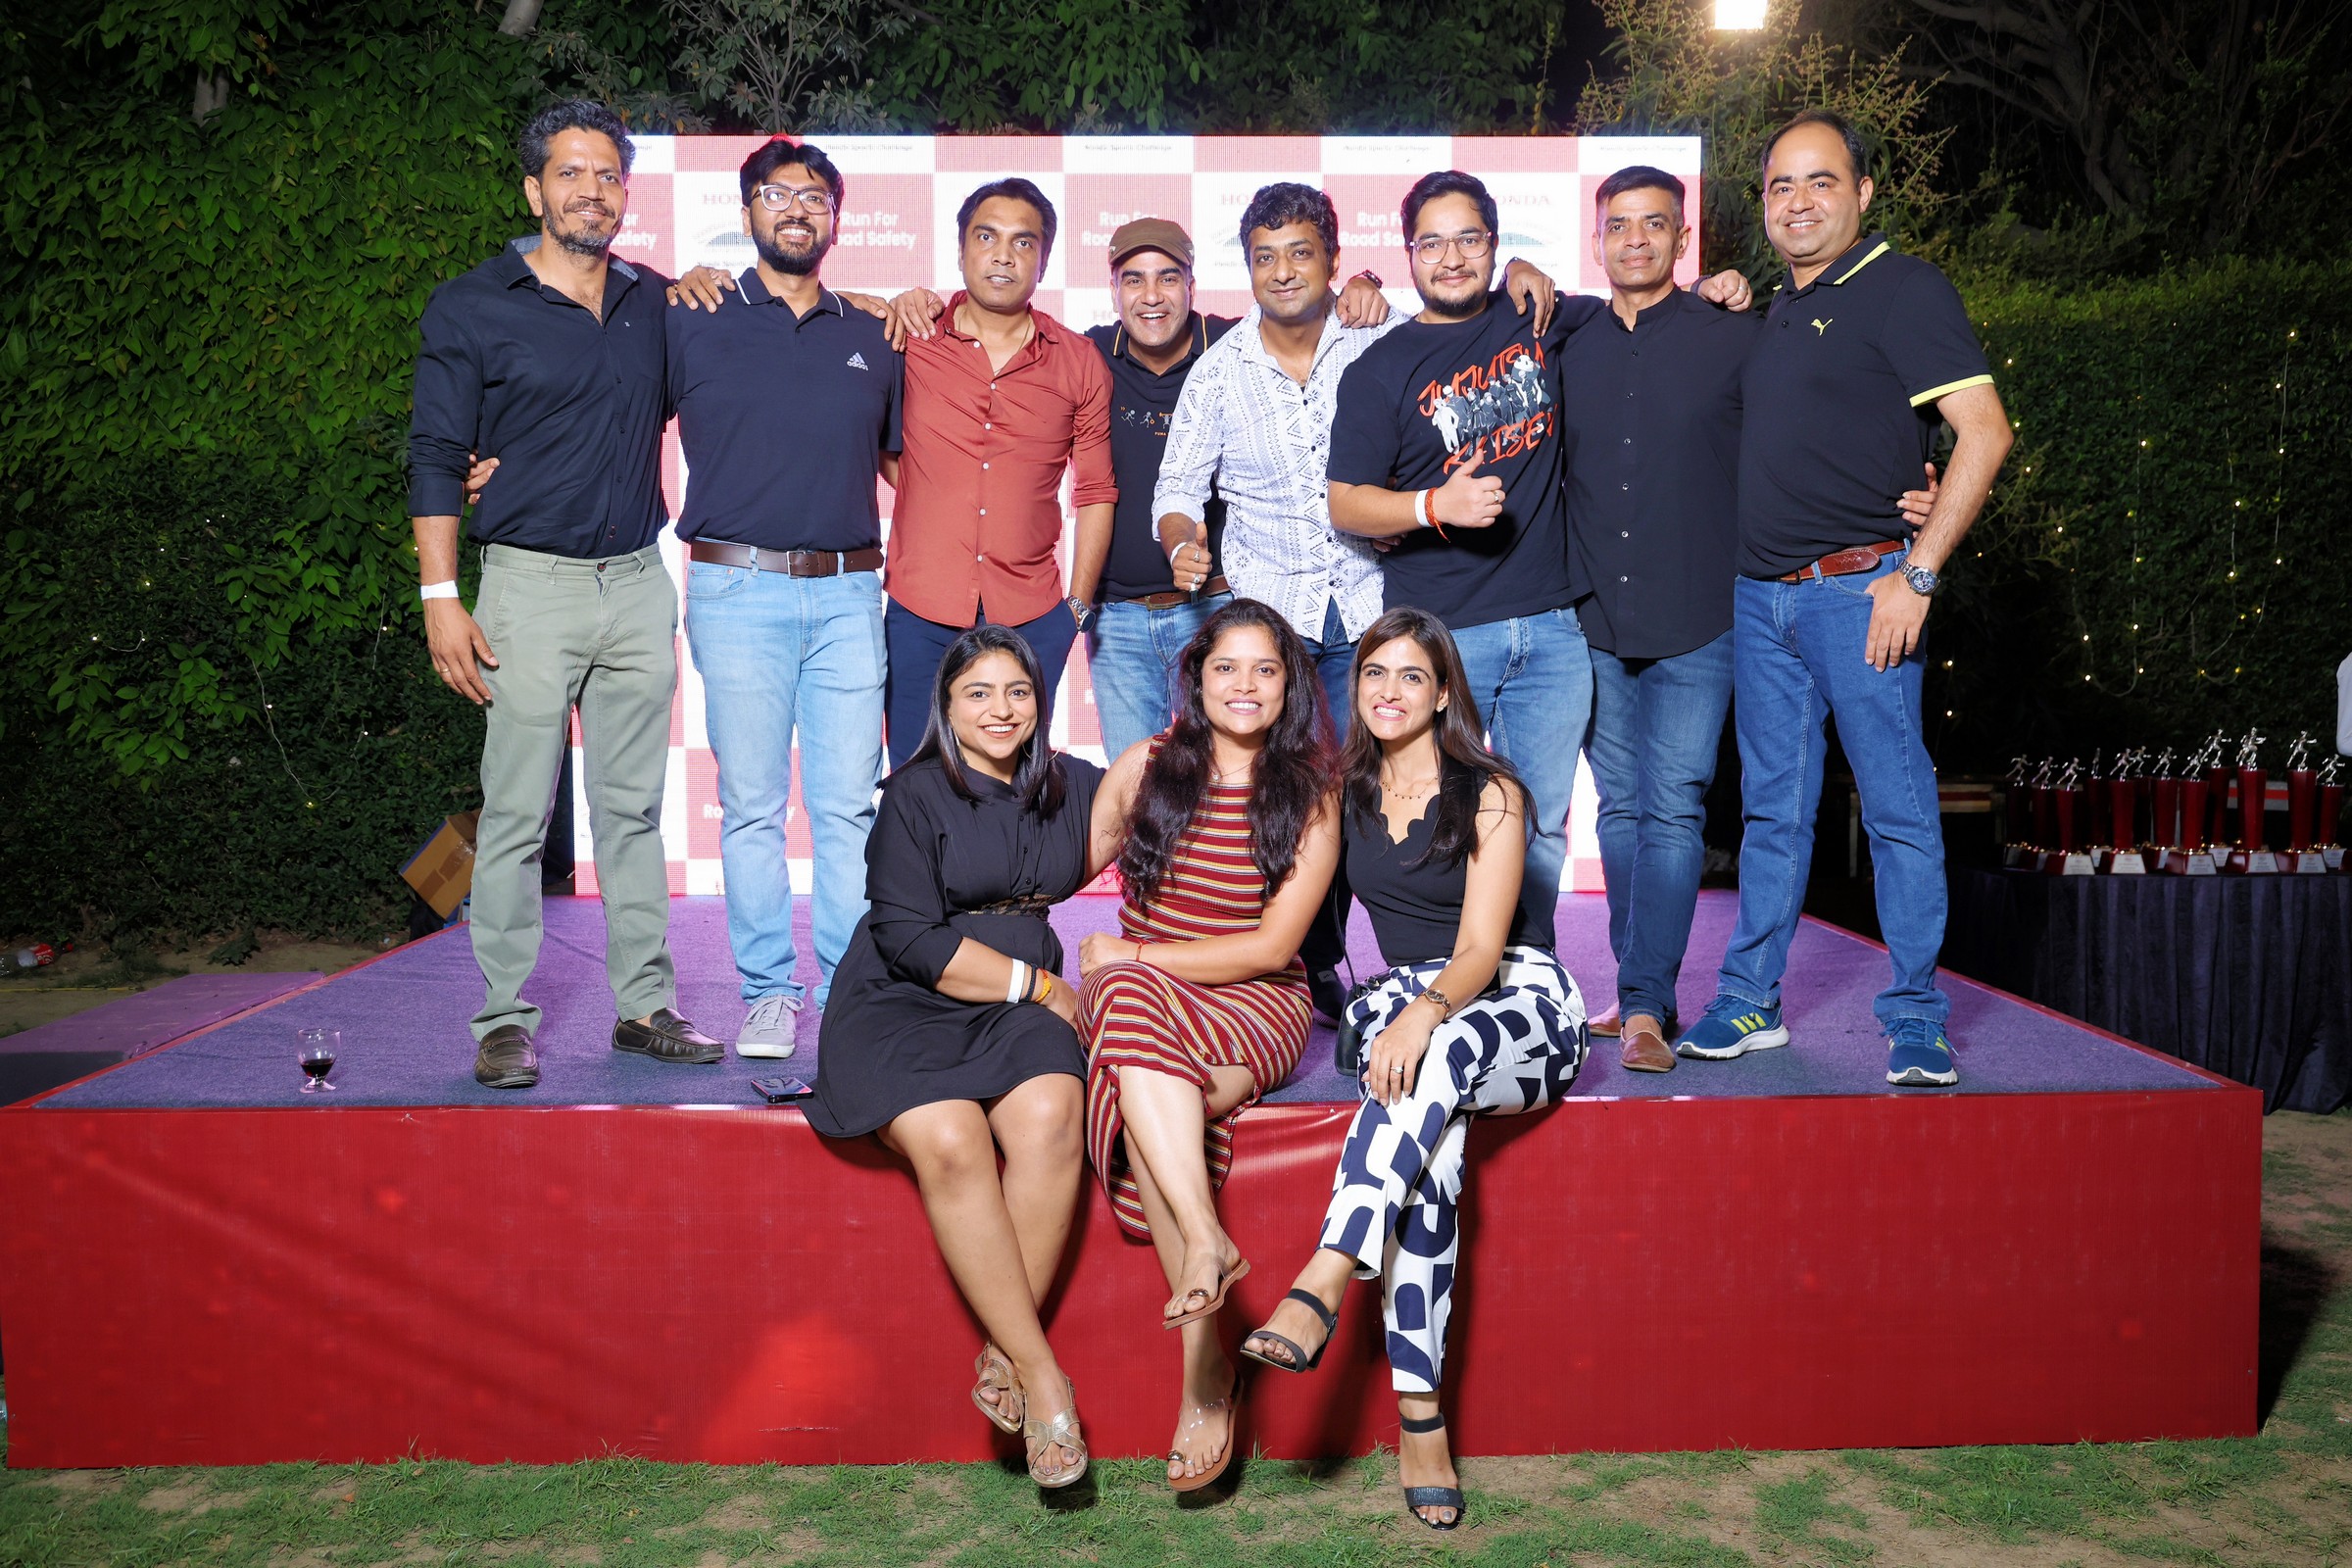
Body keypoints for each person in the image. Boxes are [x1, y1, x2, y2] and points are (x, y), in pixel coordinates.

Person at [1553, 166, 1940, 1071]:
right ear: (1598, 240)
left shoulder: (1739, 333)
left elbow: (1833, 414)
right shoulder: (1565, 338)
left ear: (1683, 239)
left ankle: (1647, 1004)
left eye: (1656, 224)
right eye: (1620, 225)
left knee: (1674, 806)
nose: (1637, 240)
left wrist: (1914, 491)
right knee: (1620, 812)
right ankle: (1641, 989)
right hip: (1596, 615)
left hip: (1705, 616)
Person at [1151, 183, 1557, 1018]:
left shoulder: (1377, 335)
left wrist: (1520, 268)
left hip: (1377, 612)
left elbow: (1460, 311)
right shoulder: (1218, 371)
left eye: (1301, 253)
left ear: (1336, 260)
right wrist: (1182, 540)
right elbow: (1177, 488)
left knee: (1374, 796)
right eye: (1264, 258)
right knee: (1292, 802)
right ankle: (1308, 964)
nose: (1283, 272)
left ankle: (1451, 962)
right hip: (1278, 621)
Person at [1674, 111, 2013, 1087]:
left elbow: (1985, 433)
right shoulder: (1773, 312)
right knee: (1772, 816)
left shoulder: (1905, 288)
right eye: (1780, 185)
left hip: (1863, 595)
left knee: (1898, 809)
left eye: (1821, 181)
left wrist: (1918, 573)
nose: (1799, 202)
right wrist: (1713, 295)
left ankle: (1916, 1017)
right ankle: (1750, 1001)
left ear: (1862, 193)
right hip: (1761, 604)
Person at [1239, 607, 1587, 1532]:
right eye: (1374, 674)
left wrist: (1426, 1013)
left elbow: (1480, 951)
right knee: (1431, 1164)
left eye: (1411, 677)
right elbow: (1294, 921)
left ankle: (1327, 1270)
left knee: (1442, 1049)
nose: (1389, 692)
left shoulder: (1492, 792)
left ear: (1441, 696)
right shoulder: (1339, 793)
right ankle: (1421, 1417)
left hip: (1514, 1005)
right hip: (1406, 1010)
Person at [1328, 170, 1752, 927]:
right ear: (1408, 254)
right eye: (1432, 243)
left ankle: (1528, 970)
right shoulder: (1379, 367)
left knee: (1541, 826)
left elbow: (1646, 309)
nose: (1452, 258)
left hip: (1555, 629)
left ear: (1495, 245)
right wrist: (1433, 505)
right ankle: (1446, 969)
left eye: (1469, 239)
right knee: (1440, 820)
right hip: (1444, 634)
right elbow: (1345, 503)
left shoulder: (1546, 318)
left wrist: (1713, 287)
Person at [408, 100, 719, 1090]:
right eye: (571, 173)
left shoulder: (658, 303)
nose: (592, 190)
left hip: (637, 584)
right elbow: (435, 452)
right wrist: (441, 595)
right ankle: (503, 1019)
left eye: (608, 174)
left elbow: (738, 363)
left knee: (632, 813)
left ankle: (645, 1007)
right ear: (533, 190)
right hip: (527, 590)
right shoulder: (471, 305)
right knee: (515, 814)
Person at [807, 625, 1101, 1490]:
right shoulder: (913, 793)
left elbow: (1162, 781)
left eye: (1018, 691)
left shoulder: (1069, 785)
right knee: (952, 1138)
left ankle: (1002, 1357)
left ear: (1041, 701)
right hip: (906, 1000)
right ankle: (1042, 1374)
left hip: (1008, 1012)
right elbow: (909, 939)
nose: (1000, 709)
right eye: (978, 693)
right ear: (946, 705)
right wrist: (1043, 988)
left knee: (1053, 1114)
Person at [1076, 598, 1340, 1493]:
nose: (1245, 685)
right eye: (1227, 666)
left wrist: (1133, 953)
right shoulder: (1144, 767)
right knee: (1147, 1061)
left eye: (1266, 669)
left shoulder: (1310, 794)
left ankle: (1204, 1349)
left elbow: (1272, 948)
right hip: (1146, 1003)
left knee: (1127, 1043)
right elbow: (1057, 865)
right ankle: (1205, 1300)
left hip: (1253, 1003)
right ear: (1197, 677)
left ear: (1290, 686)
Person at [664, 136, 899, 1057]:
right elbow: (605, 407)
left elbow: (904, 461)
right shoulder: (692, 317)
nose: (796, 209)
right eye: (777, 194)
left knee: (847, 809)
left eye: (814, 197)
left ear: (835, 220)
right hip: (736, 589)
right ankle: (768, 991)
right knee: (754, 808)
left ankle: (846, 991)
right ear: (747, 210)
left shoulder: (873, 334)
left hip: (849, 595)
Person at [878, 178, 1115, 769]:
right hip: (920, 609)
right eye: (986, 237)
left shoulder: (1078, 360)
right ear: (961, 250)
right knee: (913, 782)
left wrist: (1075, 611)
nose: (1003, 255)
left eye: (1023, 242)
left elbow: (1095, 492)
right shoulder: (910, 339)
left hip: (1032, 614)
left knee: (1019, 788)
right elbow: (875, 444)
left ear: (1044, 260)